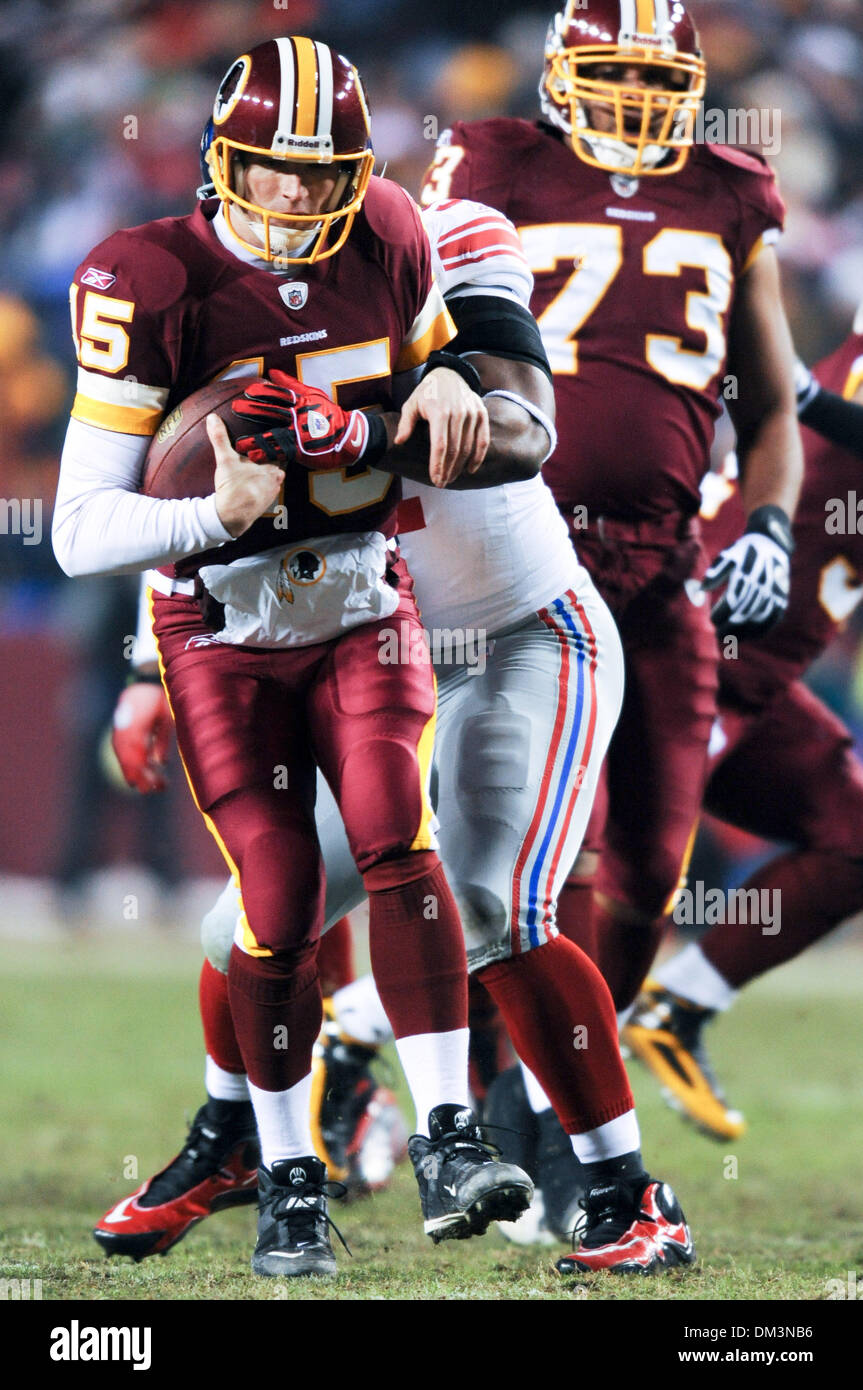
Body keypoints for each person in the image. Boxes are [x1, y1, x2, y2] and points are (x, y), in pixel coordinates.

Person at [93, 192, 697, 1279]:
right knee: (245, 924)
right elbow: (179, 482)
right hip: (361, 638)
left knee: (487, 904)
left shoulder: (426, 245)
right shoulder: (198, 300)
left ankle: (626, 1193)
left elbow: (521, 428)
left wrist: (407, 403)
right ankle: (232, 1139)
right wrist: (149, 664)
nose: (283, 222)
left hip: (518, 631)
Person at [54, 36, 536, 1280]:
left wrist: (434, 386)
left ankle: (443, 1135)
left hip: (365, 597)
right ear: (224, 163)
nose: (300, 197)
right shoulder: (148, 275)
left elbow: (432, 367)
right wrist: (214, 514)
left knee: (393, 828)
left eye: (324, 174)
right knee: (273, 904)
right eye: (272, 172)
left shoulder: (386, 232)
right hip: (220, 621)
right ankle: (286, 1175)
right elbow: (78, 531)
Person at [418, 0, 803, 1216]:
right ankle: (476, 1098)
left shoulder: (730, 189)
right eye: (610, 75)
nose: (634, 103)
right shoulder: (494, 160)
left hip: (661, 563)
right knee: (524, 855)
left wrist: (778, 522)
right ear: (557, 77)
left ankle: (535, 1095)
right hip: (516, 557)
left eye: (654, 79)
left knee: (648, 856)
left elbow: (774, 401)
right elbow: (415, 325)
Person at [625, 321, 863, 1138]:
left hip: (756, 676)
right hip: (701, 655)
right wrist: (807, 399)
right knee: (588, 893)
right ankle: (368, 1034)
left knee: (851, 833)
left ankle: (679, 1006)